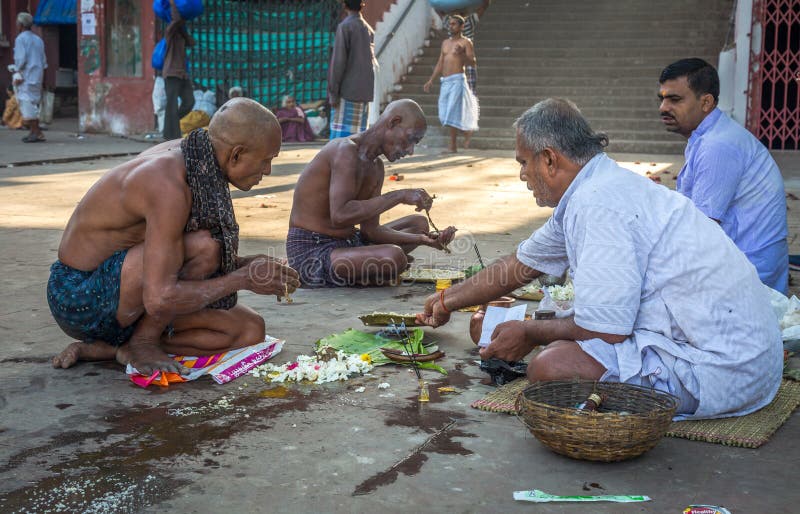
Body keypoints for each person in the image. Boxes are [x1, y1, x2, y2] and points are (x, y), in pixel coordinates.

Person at [417, 98, 782, 420]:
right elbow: (520, 265)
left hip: (726, 371)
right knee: (557, 345)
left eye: (524, 163)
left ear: (549, 159)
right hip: (742, 357)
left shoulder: (597, 202)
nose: (523, 175)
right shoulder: (595, 186)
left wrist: (530, 332)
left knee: (551, 365)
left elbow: (607, 329)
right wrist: (448, 300)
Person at [48, 98, 300, 374]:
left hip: (132, 287)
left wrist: (249, 266)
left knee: (250, 329)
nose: (268, 171)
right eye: (266, 160)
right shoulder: (168, 184)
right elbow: (160, 297)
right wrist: (242, 278)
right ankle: (143, 341)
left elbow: (169, 255)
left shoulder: (199, 156)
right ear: (236, 154)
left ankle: (116, 348)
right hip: (78, 295)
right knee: (205, 248)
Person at [286, 99, 456, 287]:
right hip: (312, 252)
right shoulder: (345, 151)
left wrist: (423, 240)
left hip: (350, 243)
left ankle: (367, 271)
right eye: (410, 139)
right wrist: (399, 196)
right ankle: (368, 272)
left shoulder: (377, 167)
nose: (410, 150)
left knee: (419, 224)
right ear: (393, 122)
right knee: (394, 257)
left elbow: (371, 231)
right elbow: (340, 216)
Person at [658, 58, 788, 293]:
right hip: (736, 263)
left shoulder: (718, 146)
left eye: (674, 99)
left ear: (706, 102)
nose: (663, 108)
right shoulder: (707, 136)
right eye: (663, 98)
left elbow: (701, 230)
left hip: (749, 276)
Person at [423, 15, 479, 153]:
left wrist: (462, 54)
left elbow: (473, 62)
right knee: (444, 115)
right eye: (450, 24)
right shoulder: (445, 43)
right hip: (445, 82)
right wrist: (431, 80)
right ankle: (466, 131)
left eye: (454, 24)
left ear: (461, 26)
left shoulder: (466, 43)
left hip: (458, 80)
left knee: (451, 113)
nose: (451, 26)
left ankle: (452, 146)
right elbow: (440, 63)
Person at [327, 0, 376, 139]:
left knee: (339, 144)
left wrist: (333, 93)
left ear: (345, 5)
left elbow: (338, 63)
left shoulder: (345, 27)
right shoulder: (368, 29)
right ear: (362, 5)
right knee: (358, 141)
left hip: (346, 93)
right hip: (363, 94)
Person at [439, 0, 490, 93]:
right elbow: (484, 7)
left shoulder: (454, 21)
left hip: (461, 61)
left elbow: (438, 9)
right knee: (467, 93)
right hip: (461, 62)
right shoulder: (468, 20)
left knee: (466, 93)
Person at [162, 0, 196, 140]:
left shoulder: (182, 37)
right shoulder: (170, 33)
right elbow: (176, 20)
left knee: (189, 101)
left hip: (182, 75)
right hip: (171, 73)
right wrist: (172, 3)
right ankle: (170, 136)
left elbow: (192, 43)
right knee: (171, 106)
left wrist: (185, 32)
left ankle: (171, 128)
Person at [13, 12, 47, 143]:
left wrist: (17, 72)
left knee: (27, 104)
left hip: (26, 75)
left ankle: (37, 132)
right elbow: (44, 60)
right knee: (34, 104)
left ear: (20, 25)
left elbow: (20, 59)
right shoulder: (38, 39)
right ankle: (34, 131)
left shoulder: (21, 39)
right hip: (37, 75)